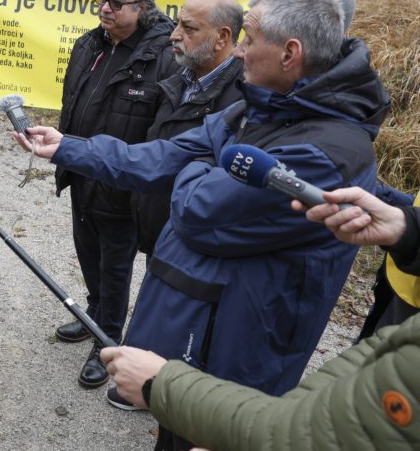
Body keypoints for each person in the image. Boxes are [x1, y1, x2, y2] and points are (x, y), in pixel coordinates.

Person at [15, 0, 390, 450]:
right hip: (197, 332)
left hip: (241, 355)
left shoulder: (328, 152)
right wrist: (70, 147)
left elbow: (199, 209)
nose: (241, 51)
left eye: (249, 39)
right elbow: (163, 155)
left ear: (290, 53)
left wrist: (200, 166)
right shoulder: (260, 108)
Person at [99, 186, 420, 451]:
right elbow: (347, 389)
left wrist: (161, 386)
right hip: (398, 290)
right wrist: (409, 229)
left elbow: (307, 433)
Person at [107, 0, 243, 411]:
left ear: (222, 37)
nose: (173, 35)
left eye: (188, 27)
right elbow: (154, 151)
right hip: (158, 222)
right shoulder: (183, 79)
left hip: (192, 236)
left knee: (189, 322)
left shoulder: (240, 101)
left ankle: (172, 396)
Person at [53, 0, 180, 391]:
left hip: (122, 184)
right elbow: (73, 100)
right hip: (81, 171)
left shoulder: (163, 57)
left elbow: (163, 133)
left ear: (141, 7)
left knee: (115, 267)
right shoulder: (89, 43)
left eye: (116, 2)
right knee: (87, 253)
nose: (105, 8)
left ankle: (107, 340)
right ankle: (94, 316)